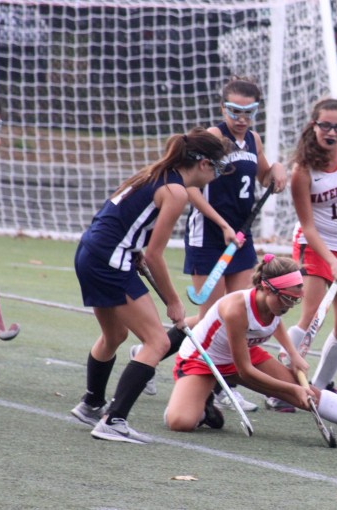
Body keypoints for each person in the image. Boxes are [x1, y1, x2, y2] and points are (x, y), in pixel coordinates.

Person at [130, 77, 287, 413]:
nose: (241, 117)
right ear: (222, 108)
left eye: (249, 111)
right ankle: (149, 353)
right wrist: (223, 225)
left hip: (241, 238)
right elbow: (191, 189)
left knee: (239, 318)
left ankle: (219, 386)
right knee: (208, 321)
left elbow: (262, 176)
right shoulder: (214, 139)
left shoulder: (253, 139)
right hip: (211, 237)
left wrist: (277, 170)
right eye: (234, 110)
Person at [71, 127, 234, 444]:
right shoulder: (176, 192)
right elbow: (156, 256)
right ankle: (113, 421)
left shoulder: (153, 174)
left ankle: (91, 403)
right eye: (217, 166)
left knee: (115, 334)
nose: (217, 174)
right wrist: (173, 301)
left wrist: (135, 253)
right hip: (109, 262)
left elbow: (124, 222)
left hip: (90, 252)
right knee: (158, 342)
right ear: (202, 164)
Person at [164, 254, 337, 449]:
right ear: (266, 288)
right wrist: (290, 390)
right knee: (180, 422)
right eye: (287, 299)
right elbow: (245, 371)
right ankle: (203, 406)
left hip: (245, 353)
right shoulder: (236, 309)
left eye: (295, 300)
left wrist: (293, 353)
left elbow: (274, 324)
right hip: (203, 360)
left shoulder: (274, 304)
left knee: (309, 395)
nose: (290, 305)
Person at [267, 97, 337, 412]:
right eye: (326, 125)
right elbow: (309, 227)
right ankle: (283, 388)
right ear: (314, 125)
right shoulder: (302, 170)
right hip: (315, 247)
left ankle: (318, 389)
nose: (332, 132)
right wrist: (331, 262)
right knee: (312, 316)